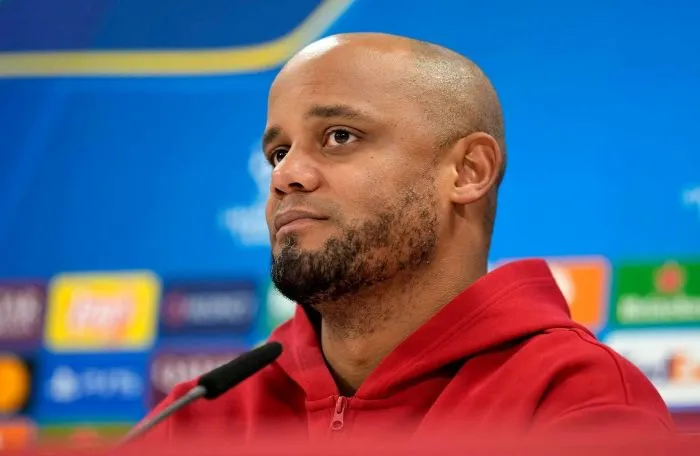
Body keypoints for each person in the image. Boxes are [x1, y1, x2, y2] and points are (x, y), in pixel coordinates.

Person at [137, 32, 674, 446]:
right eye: (278, 152)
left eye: (339, 136)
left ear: (468, 171)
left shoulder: (578, 400)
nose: (285, 175)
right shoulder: (197, 416)